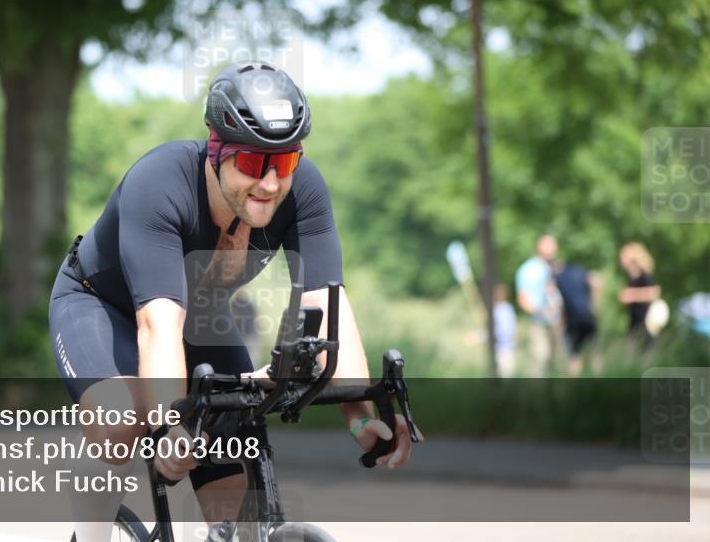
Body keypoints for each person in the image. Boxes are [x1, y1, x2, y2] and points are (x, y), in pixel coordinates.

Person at [48, 62, 418, 542]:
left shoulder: (303, 191)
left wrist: (360, 416)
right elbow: (157, 326)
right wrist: (167, 429)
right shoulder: (160, 183)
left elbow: (329, 308)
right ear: (216, 150)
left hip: (199, 316)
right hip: (103, 306)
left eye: (283, 163)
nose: (269, 183)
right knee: (120, 418)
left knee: (234, 504)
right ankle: (91, 536)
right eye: (250, 164)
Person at [515, 234, 564, 376]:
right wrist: (539, 311)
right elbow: (523, 299)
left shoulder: (557, 268)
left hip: (558, 321)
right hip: (539, 321)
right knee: (540, 360)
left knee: (558, 364)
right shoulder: (528, 269)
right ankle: (538, 397)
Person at [553, 260, 598, 377]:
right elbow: (596, 282)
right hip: (588, 316)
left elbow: (556, 301)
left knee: (574, 356)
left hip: (572, 320)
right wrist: (594, 305)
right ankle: (600, 382)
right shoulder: (580, 270)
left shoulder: (557, 278)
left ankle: (573, 386)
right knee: (595, 353)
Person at [617, 242, 661, 347]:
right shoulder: (631, 277)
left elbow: (654, 292)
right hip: (634, 321)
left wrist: (631, 296)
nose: (621, 259)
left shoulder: (643, 275)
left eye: (624, 255)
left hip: (646, 322)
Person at [492, 284, 518, 378]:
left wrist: (479, 337)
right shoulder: (502, 309)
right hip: (501, 348)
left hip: (504, 349)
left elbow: (504, 332)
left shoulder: (503, 310)